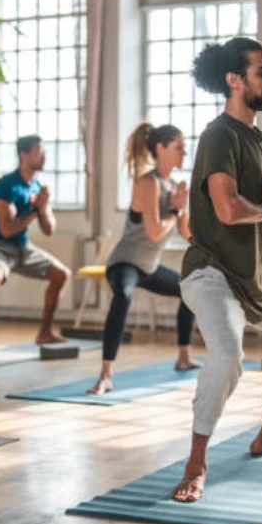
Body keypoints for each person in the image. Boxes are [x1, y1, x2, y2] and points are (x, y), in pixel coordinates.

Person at [171, 37, 262, 503]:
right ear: (234, 81)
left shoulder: (259, 138)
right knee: (227, 353)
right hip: (210, 274)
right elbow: (230, 210)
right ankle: (196, 463)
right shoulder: (219, 136)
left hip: (251, 281)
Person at [86, 123, 198, 395]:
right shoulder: (148, 183)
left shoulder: (172, 186)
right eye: (179, 147)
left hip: (148, 266)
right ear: (161, 149)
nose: (185, 152)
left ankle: (184, 357)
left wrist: (183, 210)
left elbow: (185, 233)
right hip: (124, 263)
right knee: (122, 297)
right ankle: (105, 375)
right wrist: (175, 209)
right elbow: (155, 229)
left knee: (191, 289)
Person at [0, 134, 71, 359]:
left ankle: (45, 333)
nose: (44, 155)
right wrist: (35, 211)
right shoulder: (6, 186)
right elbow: (6, 229)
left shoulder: (37, 186)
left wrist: (44, 208)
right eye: (39, 151)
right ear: (24, 155)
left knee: (61, 274)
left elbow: (49, 230)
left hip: (22, 247)